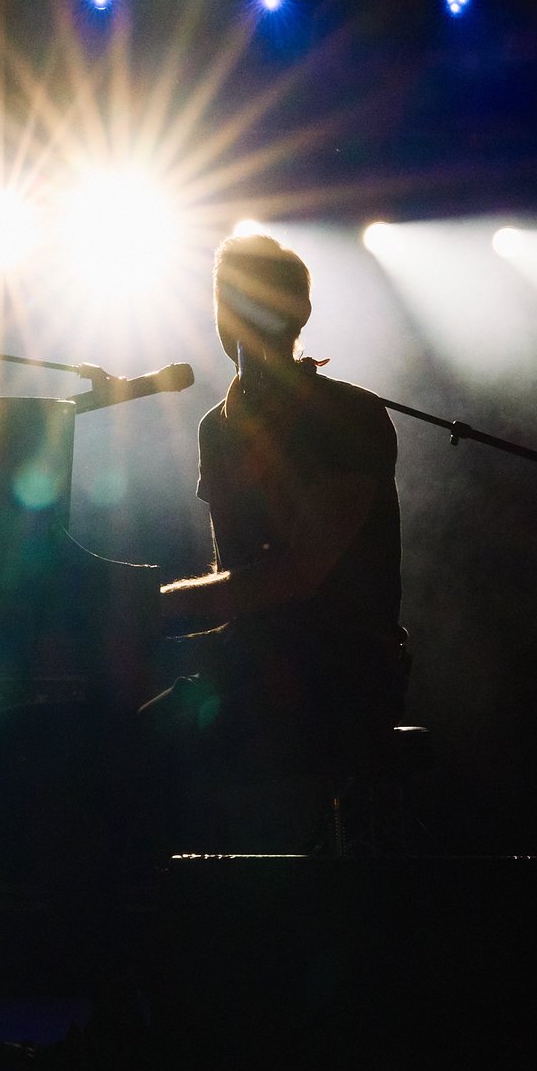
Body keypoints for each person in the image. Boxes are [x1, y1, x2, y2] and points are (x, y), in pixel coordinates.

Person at [157, 232, 408, 847]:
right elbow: (236, 570)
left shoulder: (351, 417)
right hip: (255, 665)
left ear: (299, 314)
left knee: (193, 759)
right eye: (231, 299)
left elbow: (301, 575)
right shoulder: (216, 429)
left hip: (345, 667)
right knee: (122, 740)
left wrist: (158, 605)